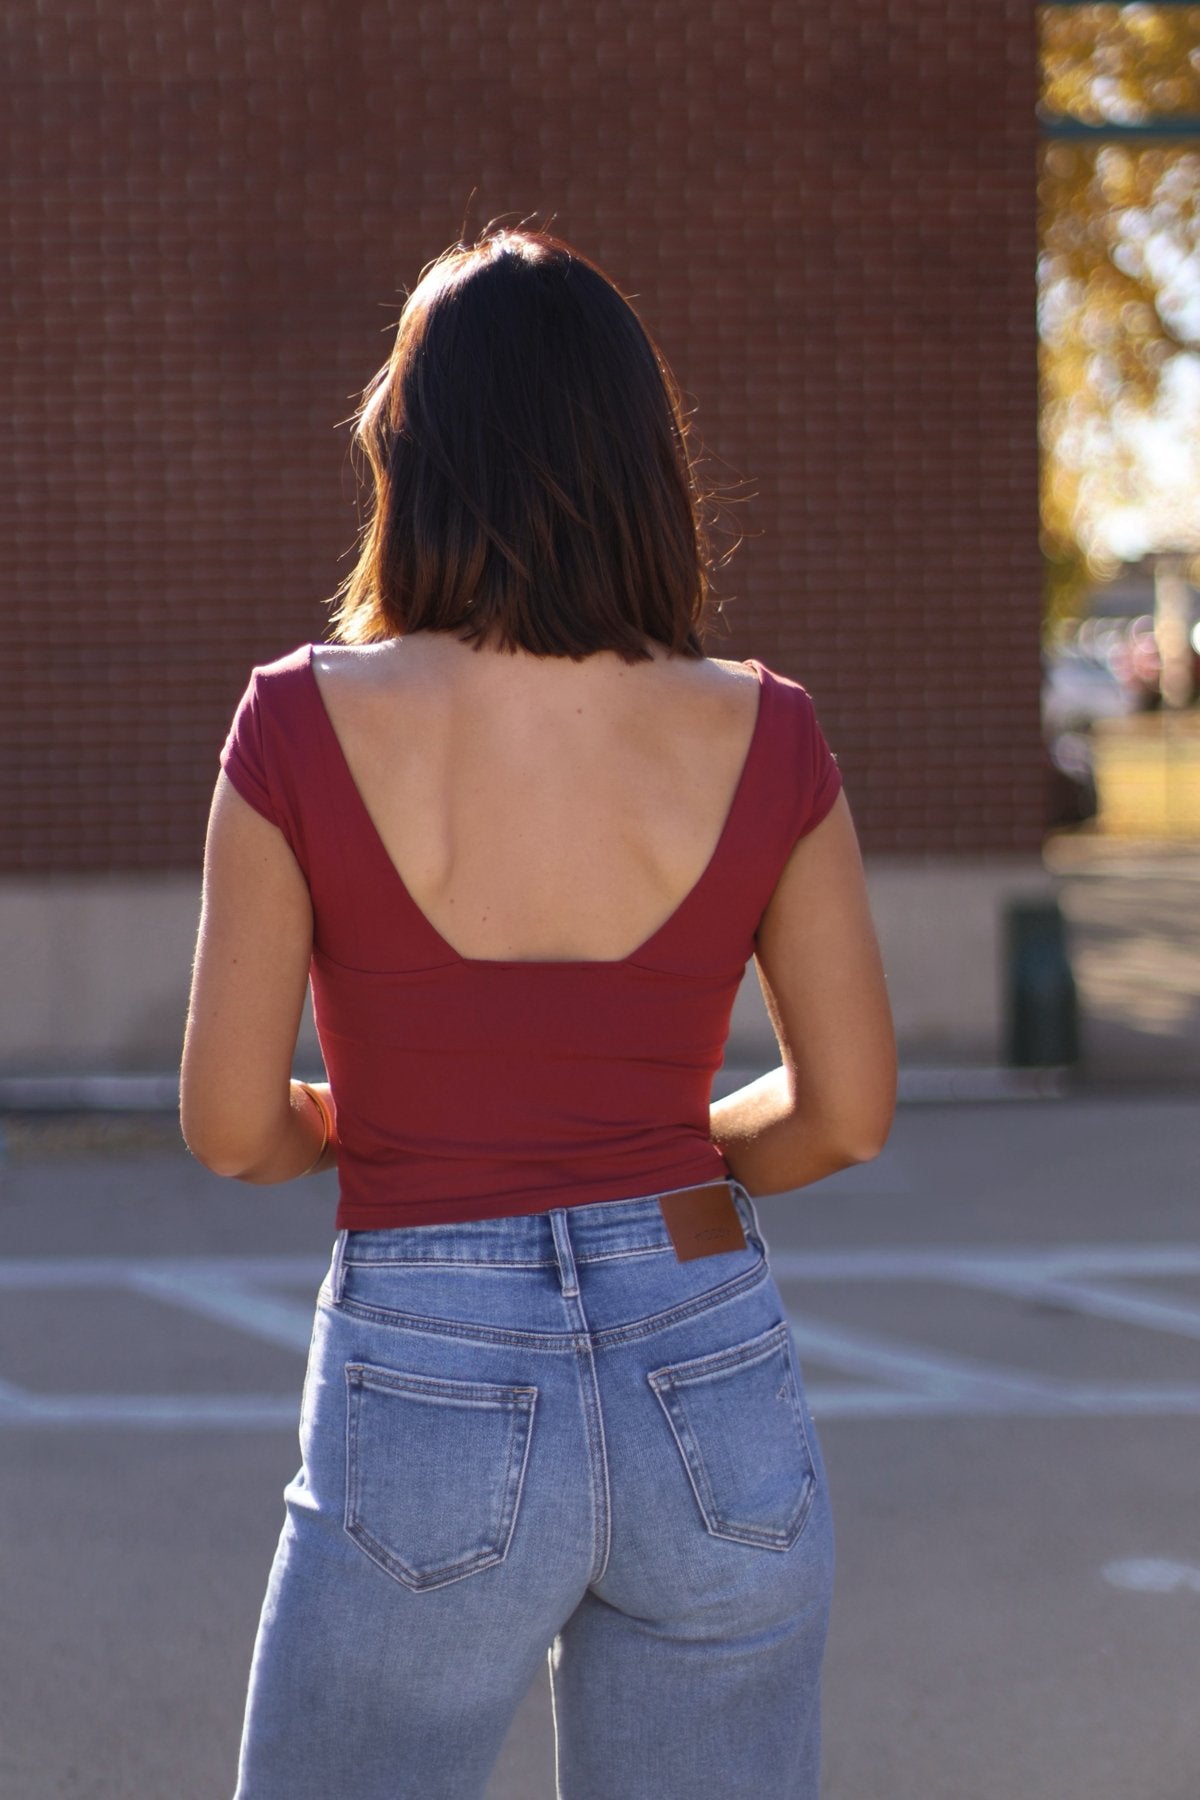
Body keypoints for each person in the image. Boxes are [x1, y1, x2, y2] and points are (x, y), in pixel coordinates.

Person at [180, 227, 895, 1800]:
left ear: (411, 458)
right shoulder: (764, 729)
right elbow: (844, 1110)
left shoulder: (301, 721)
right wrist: (654, 1160)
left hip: (426, 1351)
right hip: (710, 1364)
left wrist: (364, 1127)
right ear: (648, 461)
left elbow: (233, 1127)